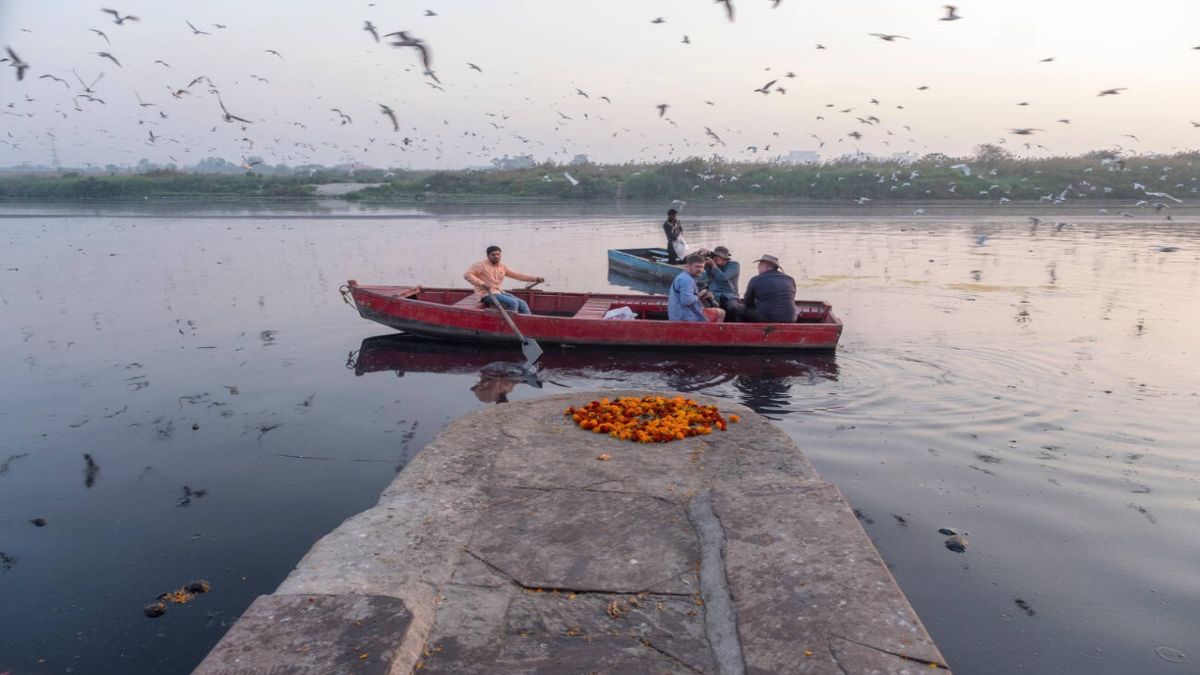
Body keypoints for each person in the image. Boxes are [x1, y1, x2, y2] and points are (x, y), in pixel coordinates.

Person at [463, 245, 544, 315]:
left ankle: (528, 322)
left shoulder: (502, 266)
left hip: (498, 292)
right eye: (493, 255)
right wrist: (482, 283)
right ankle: (511, 325)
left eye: (498, 254)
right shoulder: (480, 265)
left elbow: (518, 275)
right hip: (485, 294)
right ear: (488, 256)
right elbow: (467, 275)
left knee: (522, 303)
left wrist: (535, 278)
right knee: (513, 302)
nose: (496, 256)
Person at [668, 254, 725, 323]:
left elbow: (688, 298)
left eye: (702, 267)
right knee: (721, 313)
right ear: (688, 266)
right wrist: (699, 295)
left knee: (719, 312)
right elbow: (687, 301)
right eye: (697, 266)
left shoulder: (684, 276)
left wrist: (701, 297)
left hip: (682, 314)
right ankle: (712, 332)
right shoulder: (686, 280)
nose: (700, 270)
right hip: (685, 317)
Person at [741, 254, 797, 323]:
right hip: (791, 318)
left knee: (740, 310)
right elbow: (791, 298)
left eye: (759, 265)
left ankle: (746, 332)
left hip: (767, 318)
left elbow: (747, 302)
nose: (757, 268)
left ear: (766, 266)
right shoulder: (790, 279)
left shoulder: (756, 279)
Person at [701, 245, 741, 320]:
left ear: (725, 258)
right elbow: (696, 265)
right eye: (714, 256)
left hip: (730, 296)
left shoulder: (734, 265)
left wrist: (713, 265)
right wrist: (700, 255)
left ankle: (734, 327)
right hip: (714, 295)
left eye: (718, 256)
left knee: (733, 308)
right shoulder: (709, 266)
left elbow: (723, 277)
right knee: (706, 308)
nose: (715, 258)